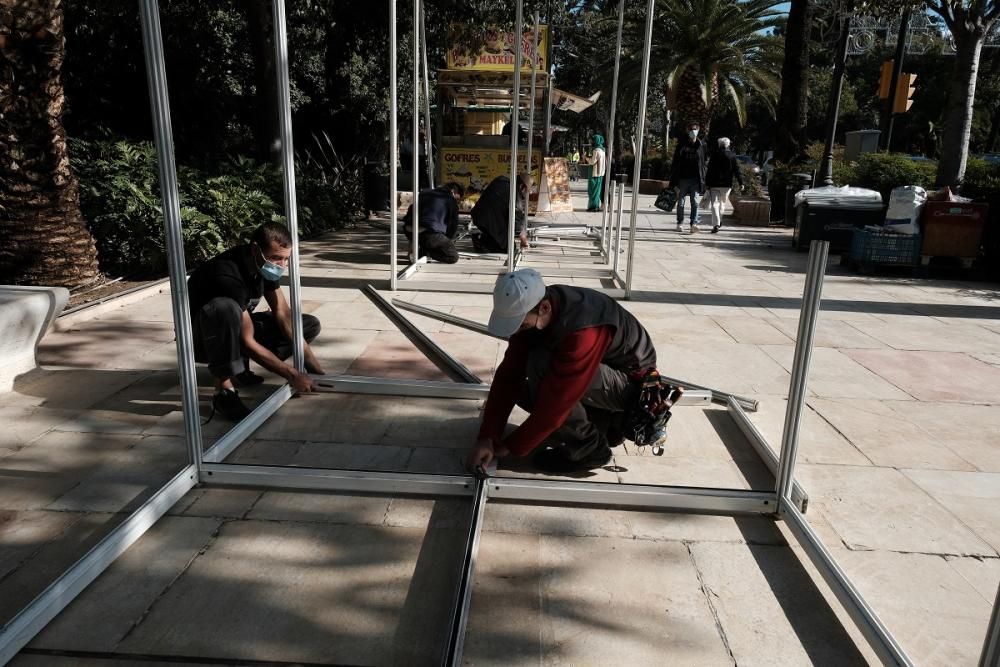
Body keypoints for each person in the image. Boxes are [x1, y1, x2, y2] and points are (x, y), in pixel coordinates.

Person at [465, 269, 681, 474]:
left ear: (544, 309)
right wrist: (488, 437)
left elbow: (559, 402)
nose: (516, 332)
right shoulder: (535, 309)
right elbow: (508, 377)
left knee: (542, 365)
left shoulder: (584, 329)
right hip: (598, 374)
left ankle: (590, 448)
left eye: (520, 325)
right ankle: (600, 425)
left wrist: (512, 447)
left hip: (630, 387)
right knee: (523, 386)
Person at [187, 222, 325, 422]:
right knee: (225, 309)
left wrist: (315, 369)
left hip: (234, 331)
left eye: (286, 259)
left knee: (307, 324)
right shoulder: (226, 273)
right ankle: (224, 391)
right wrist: (291, 374)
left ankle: (239, 369)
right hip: (203, 340)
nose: (281, 265)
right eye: (276, 258)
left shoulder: (263, 264)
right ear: (255, 249)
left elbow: (283, 313)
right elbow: (246, 340)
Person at [402, 182, 464, 264]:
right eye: (458, 198)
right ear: (454, 191)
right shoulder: (451, 200)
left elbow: (411, 210)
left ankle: (420, 250)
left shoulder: (425, 192)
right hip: (429, 234)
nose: (457, 201)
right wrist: (448, 240)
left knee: (429, 239)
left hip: (409, 230)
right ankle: (426, 252)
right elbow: (452, 226)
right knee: (453, 257)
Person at [470, 175, 530, 253]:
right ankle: (481, 241)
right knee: (510, 248)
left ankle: (484, 238)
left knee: (503, 237)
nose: (528, 193)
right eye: (527, 190)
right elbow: (516, 218)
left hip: (478, 215)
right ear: (522, 186)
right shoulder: (513, 192)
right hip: (486, 220)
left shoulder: (502, 182)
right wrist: (523, 239)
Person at [669, 121, 708, 233]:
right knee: (680, 202)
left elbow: (703, 162)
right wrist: (673, 178)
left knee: (695, 202)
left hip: (695, 179)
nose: (693, 131)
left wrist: (703, 178)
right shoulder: (682, 144)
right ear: (687, 130)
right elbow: (675, 162)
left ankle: (693, 224)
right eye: (691, 129)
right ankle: (680, 222)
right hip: (682, 178)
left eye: (695, 129)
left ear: (698, 130)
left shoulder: (701, 145)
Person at [704, 137, 744, 234]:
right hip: (727, 185)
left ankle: (716, 224)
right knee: (722, 203)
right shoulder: (732, 155)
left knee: (714, 204)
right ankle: (719, 221)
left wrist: (707, 183)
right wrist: (741, 182)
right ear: (728, 145)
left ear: (719, 145)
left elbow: (709, 170)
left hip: (714, 184)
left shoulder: (714, 155)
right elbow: (736, 170)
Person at [586, 135, 607, 212]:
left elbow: (592, 162)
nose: (591, 142)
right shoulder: (603, 150)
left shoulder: (596, 151)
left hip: (594, 173)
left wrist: (586, 158)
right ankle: (596, 206)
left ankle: (593, 207)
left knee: (592, 191)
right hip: (600, 174)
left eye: (592, 140)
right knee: (597, 191)